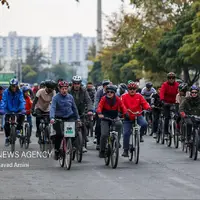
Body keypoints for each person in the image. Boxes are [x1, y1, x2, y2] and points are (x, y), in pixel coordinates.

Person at [50, 81, 80, 160]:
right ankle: (57, 150)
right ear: (59, 89)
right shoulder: (55, 98)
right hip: (58, 118)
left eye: (66, 89)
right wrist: (52, 118)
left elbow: (74, 108)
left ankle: (71, 146)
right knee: (59, 134)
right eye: (62, 89)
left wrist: (78, 118)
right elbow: (52, 108)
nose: (64, 90)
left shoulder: (70, 97)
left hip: (69, 117)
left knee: (73, 133)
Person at [96, 84, 127, 158]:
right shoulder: (103, 98)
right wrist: (99, 113)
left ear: (114, 93)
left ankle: (117, 141)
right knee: (104, 134)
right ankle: (102, 150)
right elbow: (99, 107)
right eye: (108, 92)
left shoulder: (118, 99)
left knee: (119, 124)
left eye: (111, 92)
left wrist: (126, 114)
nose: (109, 93)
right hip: (105, 118)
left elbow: (123, 107)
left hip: (115, 117)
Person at [121, 82, 150, 157]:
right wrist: (125, 112)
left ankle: (140, 135)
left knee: (144, 124)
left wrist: (148, 108)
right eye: (130, 89)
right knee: (126, 133)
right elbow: (122, 105)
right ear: (128, 90)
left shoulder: (139, 96)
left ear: (136, 89)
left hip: (138, 115)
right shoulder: (124, 96)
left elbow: (144, 103)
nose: (132, 90)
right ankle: (125, 150)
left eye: (134, 89)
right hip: (128, 116)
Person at [68, 75, 93, 152]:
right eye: (75, 83)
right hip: (71, 112)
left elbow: (88, 101)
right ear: (72, 84)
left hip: (81, 112)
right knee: (70, 128)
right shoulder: (68, 91)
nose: (76, 85)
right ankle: (70, 144)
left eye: (78, 83)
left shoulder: (84, 90)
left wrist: (90, 110)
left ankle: (82, 144)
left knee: (83, 126)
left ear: (80, 84)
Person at [1, 78, 25, 146]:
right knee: (6, 123)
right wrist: (2, 108)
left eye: (14, 86)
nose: (13, 87)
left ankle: (18, 130)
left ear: (17, 85)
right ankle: (7, 137)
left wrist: (22, 108)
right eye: (12, 86)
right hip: (8, 109)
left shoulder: (20, 91)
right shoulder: (6, 92)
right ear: (10, 85)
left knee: (22, 116)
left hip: (18, 109)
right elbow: (3, 100)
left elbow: (22, 100)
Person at [160, 72, 179, 139]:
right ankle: (165, 133)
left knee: (178, 116)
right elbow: (162, 92)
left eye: (173, 78)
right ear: (168, 79)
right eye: (170, 78)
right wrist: (162, 100)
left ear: (174, 79)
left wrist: (179, 101)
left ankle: (178, 131)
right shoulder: (164, 85)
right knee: (167, 117)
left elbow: (179, 93)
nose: (171, 79)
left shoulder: (177, 84)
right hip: (166, 103)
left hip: (174, 102)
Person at [94, 79, 110, 149]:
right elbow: (97, 100)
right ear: (103, 86)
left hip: (109, 110)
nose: (107, 87)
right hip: (100, 110)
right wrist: (98, 110)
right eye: (106, 85)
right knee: (98, 125)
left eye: (108, 85)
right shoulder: (99, 91)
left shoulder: (112, 91)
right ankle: (98, 142)